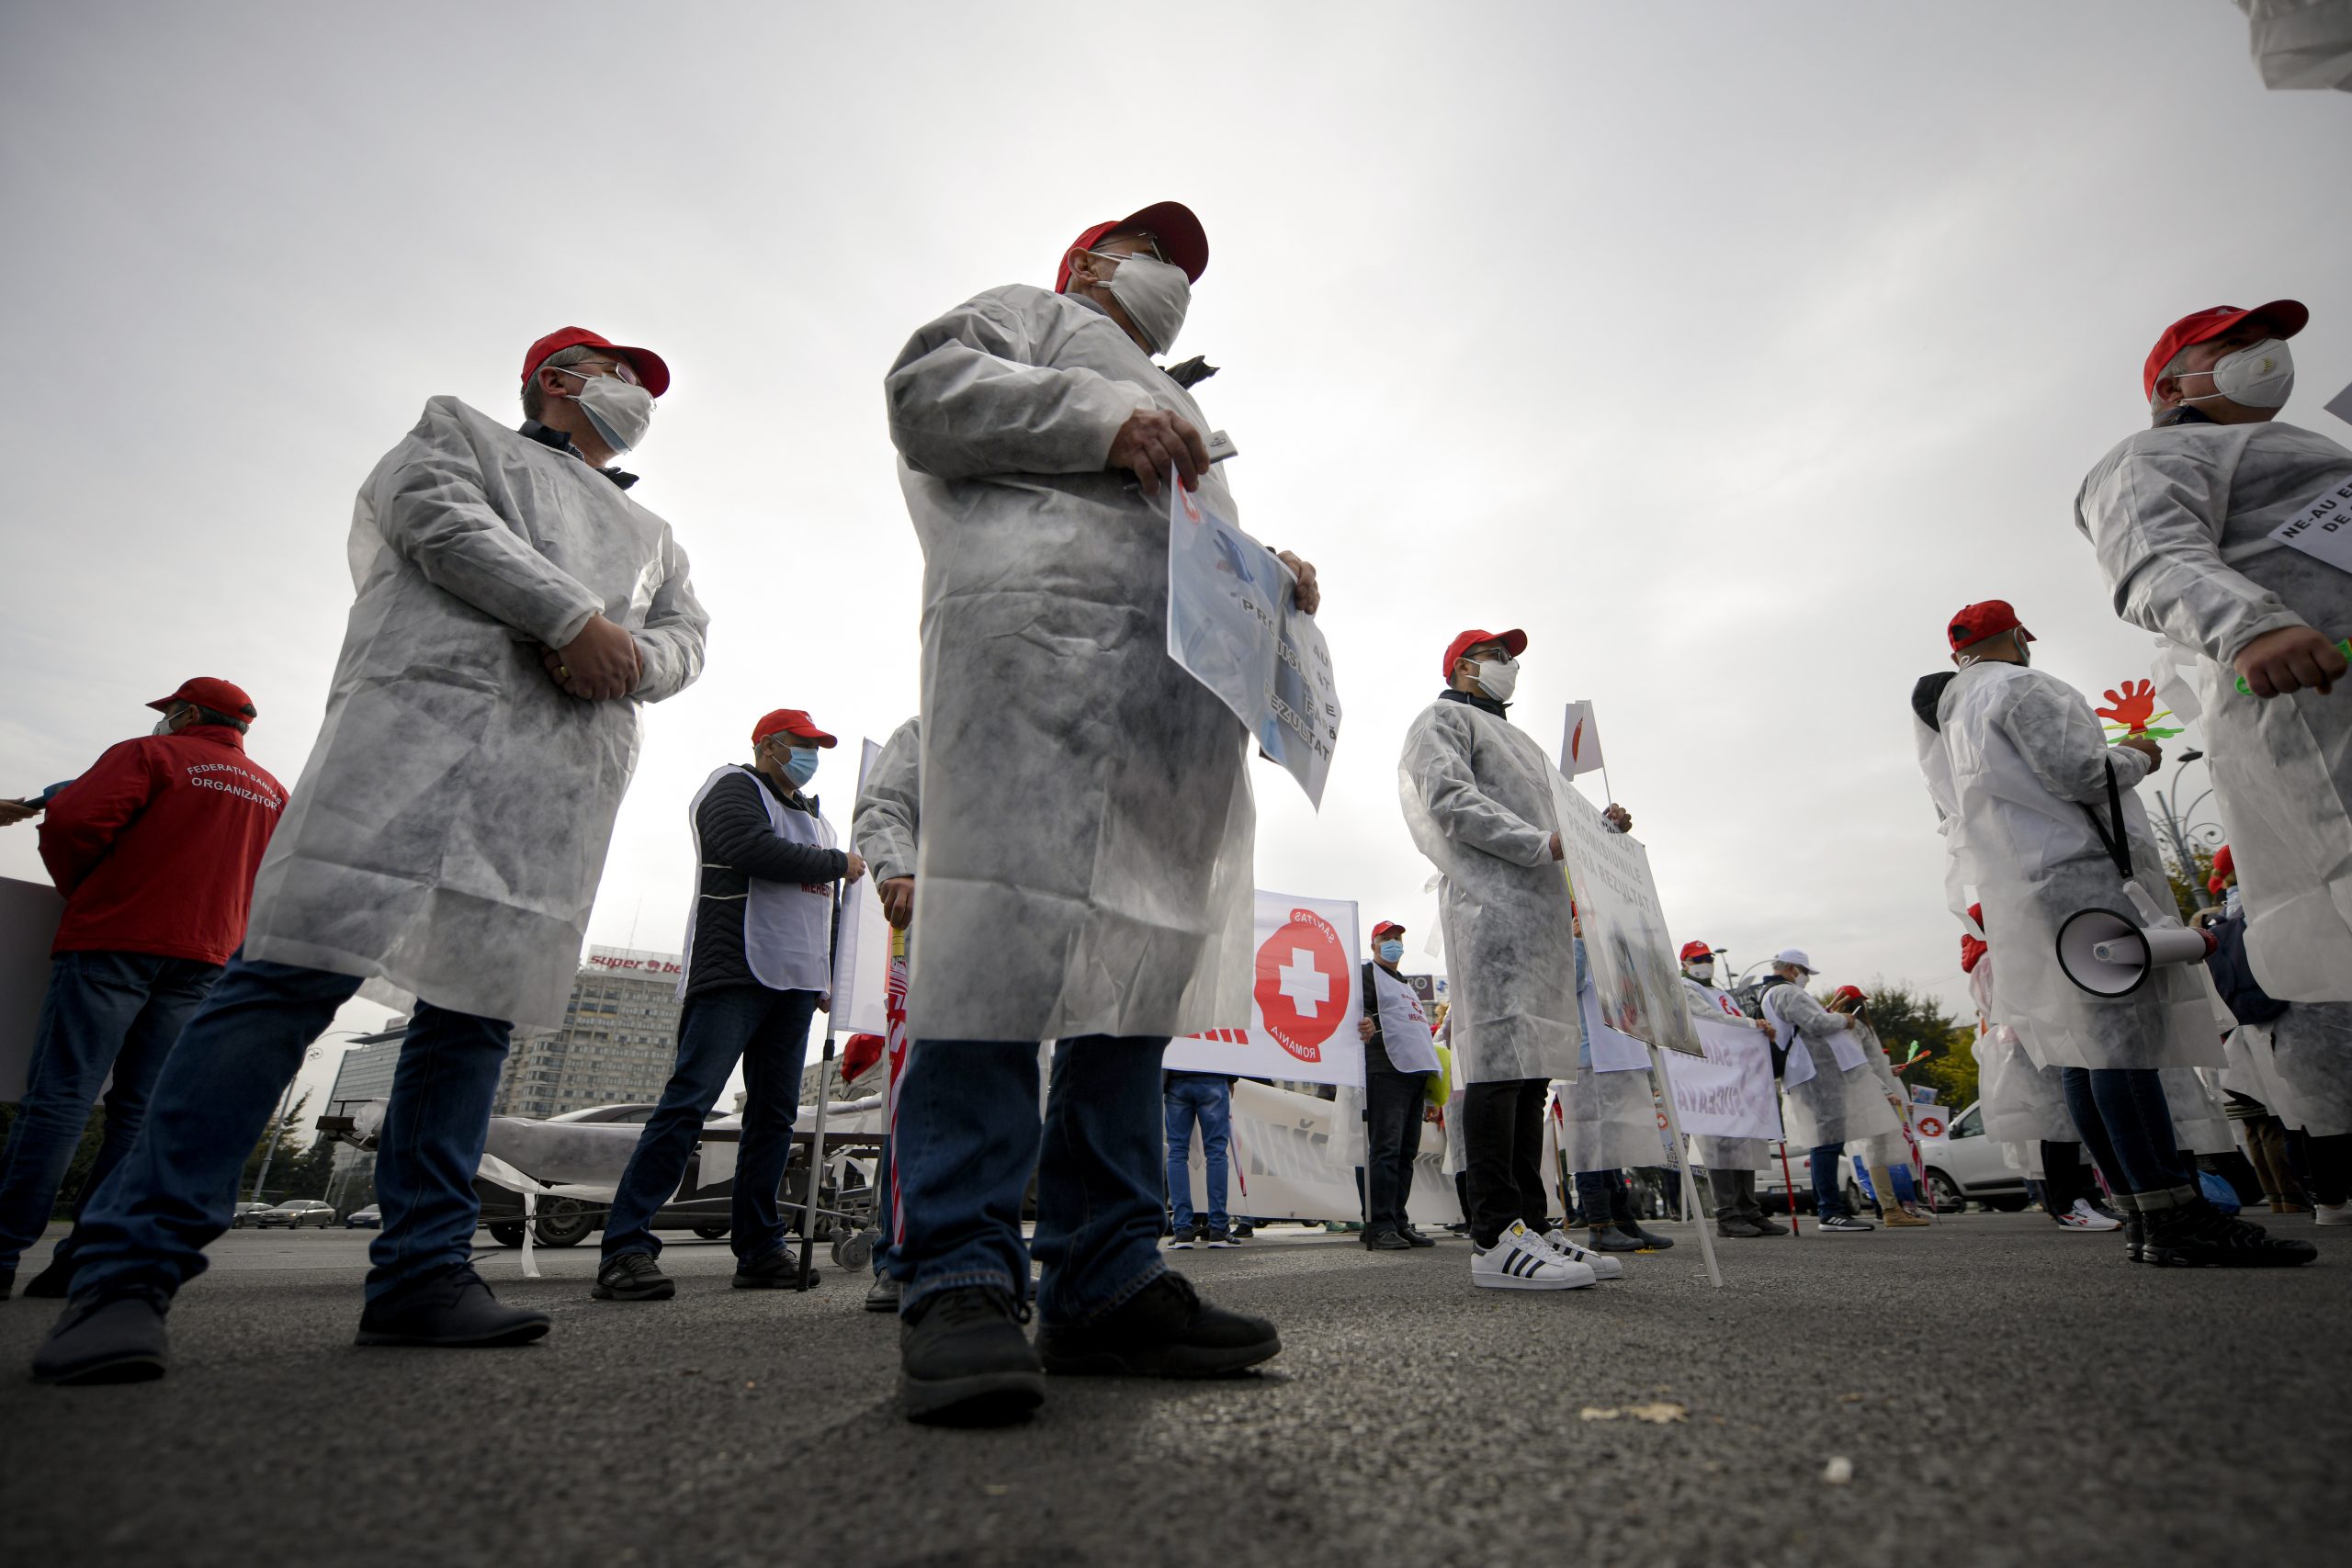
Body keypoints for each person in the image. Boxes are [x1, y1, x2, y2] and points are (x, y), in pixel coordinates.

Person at [33, 327, 709, 1383]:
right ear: (556, 379)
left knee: (472, 1021)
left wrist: (630, 657)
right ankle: (125, 1274)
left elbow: (686, 637)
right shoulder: (458, 434)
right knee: (287, 984)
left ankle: (423, 1274)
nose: (636, 393)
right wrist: (572, 617)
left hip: (554, 786)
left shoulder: (655, 533)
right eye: (619, 374)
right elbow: (435, 520)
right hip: (416, 742)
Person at [880, 201, 1297, 1424]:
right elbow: (927, 390)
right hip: (1037, 657)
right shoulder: (1034, 317)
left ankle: (1107, 1272)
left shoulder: (1187, 410)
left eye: (1185, 268)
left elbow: (1192, 545)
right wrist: (1107, 417)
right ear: (1089, 261)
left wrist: (1271, 574)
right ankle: (958, 1269)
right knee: (995, 953)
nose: (1172, 277)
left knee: (1134, 973)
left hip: (1166, 709)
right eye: (1153, 253)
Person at [1927, 598, 2310, 1267]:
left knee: (2083, 1047)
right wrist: (2134, 753)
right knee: (2120, 1045)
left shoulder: (1957, 714)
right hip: (2083, 879)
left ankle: (2143, 1212)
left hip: (2031, 890)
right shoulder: (2023, 685)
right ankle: (2174, 1214)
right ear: (2017, 637)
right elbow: (2081, 773)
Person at [2075, 300, 2352, 1006]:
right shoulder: (2148, 458)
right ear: (2171, 389)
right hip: (2320, 702)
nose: (2264, 356)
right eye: (2233, 346)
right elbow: (2153, 556)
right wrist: (2253, 626)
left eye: (2269, 343)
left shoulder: (2314, 448)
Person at [0, 681, 285, 1303]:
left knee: (61, 1097)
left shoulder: (149, 754)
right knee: (140, 1113)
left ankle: (1, 1249)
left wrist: (89, 890)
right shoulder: (272, 791)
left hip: (116, 940)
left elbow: (77, 821)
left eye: (170, 712)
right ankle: (87, 1258)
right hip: (204, 960)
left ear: (184, 713)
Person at [592, 710, 866, 1303]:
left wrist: (832, 975)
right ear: (770, 746)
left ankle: (760, 1246)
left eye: (816, 746)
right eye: (801, 744)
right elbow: (749, 848)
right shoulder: (733, 787)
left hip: (795, 984)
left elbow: (829, 909)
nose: (810, 754)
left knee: (772, 1120)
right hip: (735, 971)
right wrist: (838, 863)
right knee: (688, 1104)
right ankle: (626, 1247)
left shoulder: (816, 820)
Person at [1402, 626, 1639, 1292]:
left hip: (1539, 918)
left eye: (1511, 658)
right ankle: (1493, 1234)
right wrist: (1541, 844)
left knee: (1532, 1073)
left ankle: (1530, 1223)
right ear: (1464, 666)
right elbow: (1449, 801)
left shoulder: (1528, 745)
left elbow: (1561, 820)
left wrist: (1601, 829)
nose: (1509, 666)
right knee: (1498, 1068)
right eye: (1497, 656)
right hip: (1489, 907)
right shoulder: (1443, 720)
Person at [1956, 913, 2118, 1234]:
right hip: (2028, 1044)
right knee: (2056, 1124)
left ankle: (2085, 1199)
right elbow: (2011, 1007)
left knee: (2070, 1123)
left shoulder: (1997, 956)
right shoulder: (1990, 960)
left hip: (2041, 1041)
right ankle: (2067, 1204)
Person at [852, 716, 922, 1314]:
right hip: (930, 948)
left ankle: (984, 1254)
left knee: (1004, 1107)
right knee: (917, 1103)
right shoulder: (928, 730)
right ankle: (898, 1257)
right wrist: (896, 865)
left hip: (1015, 954)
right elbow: (883, 806)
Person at [1758, 950, 1892, 1233]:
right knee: (1827, 1141)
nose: (1807, 978)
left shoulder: (1772, 993)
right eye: (1805, 972)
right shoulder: (1787, 992)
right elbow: (1815, 1024)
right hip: (1814, 1072)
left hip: (1807, 1071)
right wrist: (1846, 1019)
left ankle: (1828, 1208)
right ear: (1793, 969)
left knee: (1825, 1141)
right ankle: (1830, 1211)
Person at [1565, 918, 1670, 1259]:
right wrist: (1577, 939)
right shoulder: (1568, 945)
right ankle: (1599, 1226)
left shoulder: (1610, 957)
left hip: (1617, 1059)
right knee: (1591, 1147)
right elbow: (1568, 983)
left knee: (1614, 1148)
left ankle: (1624, 1221)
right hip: (1586, 1059)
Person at [1677, 941, 1786, 1238]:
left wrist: (1757, 1028)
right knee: (1720, 1144)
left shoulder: (1721, 992)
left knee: (1744, 1138)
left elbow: (1735, 1021)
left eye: (1707, 958)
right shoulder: (1685, 987)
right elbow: (1706, 1019)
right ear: (1685, 963)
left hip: (1736, 1077)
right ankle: (1727, 1214)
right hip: (1709, 1074)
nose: (1705, 963)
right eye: (1697, 958)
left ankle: (1749, 1209)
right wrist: (1751, 1024)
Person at [1354, 920, 1439, 1250]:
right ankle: (1379, 1223)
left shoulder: (1403, 983)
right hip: (1384, 1068)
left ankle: (1398, 1220)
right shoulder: (1366, 974)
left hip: (1413, 1073)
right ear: (1373, 945)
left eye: (1397, 938)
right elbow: (1352, 1010)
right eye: (1385, 939)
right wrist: (1363, 1020)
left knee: (1406, 1152)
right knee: (1386, 1149)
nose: (1393, 943)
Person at [1823, 986, 1930, 1227]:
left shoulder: (1859, 1028)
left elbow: (1870, 1063)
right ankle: (1890, 1208)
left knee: (1886, 1150)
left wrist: (1890, 1071)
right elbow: (1858, 1065)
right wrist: (1885, 1091)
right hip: (1873, 1097)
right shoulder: (1854, 1028)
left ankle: (1896, 1207)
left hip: (1878, 1092)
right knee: (1877, 1151)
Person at [1162, 1069, 1238, 1248]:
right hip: (1213, 1076)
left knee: (1177, 1153)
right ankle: (1219, 1228)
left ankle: (1182, 1230)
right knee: (1216, 1152)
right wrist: (1231, 1078)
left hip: (1176, 1080)